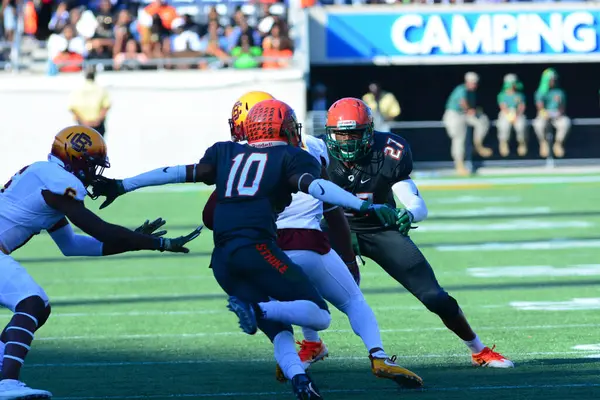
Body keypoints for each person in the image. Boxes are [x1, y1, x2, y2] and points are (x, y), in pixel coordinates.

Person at [90, 99, 401, 399]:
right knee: (319, 315)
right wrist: (363, 204)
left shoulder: (225, 152)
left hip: (222, 260)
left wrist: (123, 185)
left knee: (278, 329)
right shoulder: (291, 156)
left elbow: (176, 172)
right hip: (258, 249)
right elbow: (317, 188)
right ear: (287, 129)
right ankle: (259, 312)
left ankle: (299, 378)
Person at [203, 92, 424, 389]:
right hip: (309, 242)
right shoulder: (312, 149)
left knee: (281, 324)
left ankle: (298, 367)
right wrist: (348, 250)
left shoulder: (237, 160)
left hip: (263, 251)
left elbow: (209, 215)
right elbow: (332, 208)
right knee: (352, 301)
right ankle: (378, 355)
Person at [0, 125, 202, 399]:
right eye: (91, 164)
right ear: (74, 158)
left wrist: (130, 243)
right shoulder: (57, 182)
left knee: (39, 308)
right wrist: (156, 243)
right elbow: (102, 231)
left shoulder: (44, 177)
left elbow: (72, 245)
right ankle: (7, 381)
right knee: (32, 302)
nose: (94, 172)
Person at [322, 97, 514, 370]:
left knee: (435, 296)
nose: (347, 140)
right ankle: (311, 343)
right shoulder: (315, 152)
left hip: (379, 229)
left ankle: (478, 349)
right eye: (341, 133)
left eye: (354, 133)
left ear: (369, 131)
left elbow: (416, 203)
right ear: (330, 133)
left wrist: (408, 214)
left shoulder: (389, 151)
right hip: (332, 229)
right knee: (301, 282)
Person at [442, 72, 492, 176]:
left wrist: (474, 111)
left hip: (464, 114)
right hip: (454, 115)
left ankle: (478, 144)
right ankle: (459, 165)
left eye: (476, 83)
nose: (475, 85)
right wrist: (469, 110)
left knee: (482, 120)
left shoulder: (471, 92)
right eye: (473, 83)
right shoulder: (461, 89)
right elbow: (462, 102)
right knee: (459, 139)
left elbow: (470, 108)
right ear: (467, 82)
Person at [532, 68, 571, 158]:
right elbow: (539, 107)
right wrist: (544, 113)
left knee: (565, 122)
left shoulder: (560, 92)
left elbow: (562, 107)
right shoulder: (540, 92)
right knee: (538, 124)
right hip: (544, 114)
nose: (553, 81)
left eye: (554, 79)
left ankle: (558, 144)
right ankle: (543, 143)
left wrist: (558, 113)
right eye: (551, 79)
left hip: (557, 115)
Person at [68, 65, 111, 137]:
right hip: (98, 126)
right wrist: (97, 120)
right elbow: (106, 107)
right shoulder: (101, 89)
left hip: (82, 125)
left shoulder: (77, 90)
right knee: (98, 147)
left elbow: (72, 108)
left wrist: (83, 122)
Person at [496, 73, 527, 157]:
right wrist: (509, 115)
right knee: (504, 126)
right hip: (506, 113)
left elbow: (522, 106)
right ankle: (503, 144)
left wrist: (517, 115)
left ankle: (522, 143)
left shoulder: (520, 95)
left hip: (517, 114)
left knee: (521, 126)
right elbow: (503, 107)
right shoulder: (502, 95)